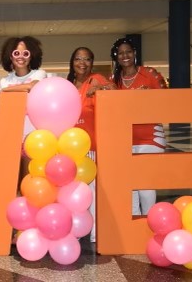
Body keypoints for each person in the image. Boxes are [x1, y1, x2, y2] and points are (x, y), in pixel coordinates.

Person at [110, 37, 167, 216]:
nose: (125, 55)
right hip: (124, 138)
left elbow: (168, 101)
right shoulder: (113, 80)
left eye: (128, 51)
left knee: (144, 183)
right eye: (120, 53)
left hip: (150, 137)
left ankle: (149, 222)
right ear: (116, 57)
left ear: (135, 53)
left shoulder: (150, 74)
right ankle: (133, 221)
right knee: (129, 184)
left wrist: (148, 97)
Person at [66, 46, 116, 242]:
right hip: (70, 148)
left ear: (92, 63)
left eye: (86, 59)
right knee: (73, 191)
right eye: (78, 58)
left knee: (92, 190)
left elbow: (113, 89)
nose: (82, 63)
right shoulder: (69, 85)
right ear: (72, 62)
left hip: (90, 146)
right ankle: (76, 229)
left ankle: (95, 231)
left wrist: (100, 88)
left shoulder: (95, 79)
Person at [0, 36, 47, 183]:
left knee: (29, 180)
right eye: (16, 53)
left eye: (25, 53)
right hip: (11, 136)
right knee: (12, 183)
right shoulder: (4, 81)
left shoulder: (39, 74)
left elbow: (32, 86)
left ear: (32, 55)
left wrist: (6, 91)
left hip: (33, 137)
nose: (21, 57)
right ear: (10, 56)